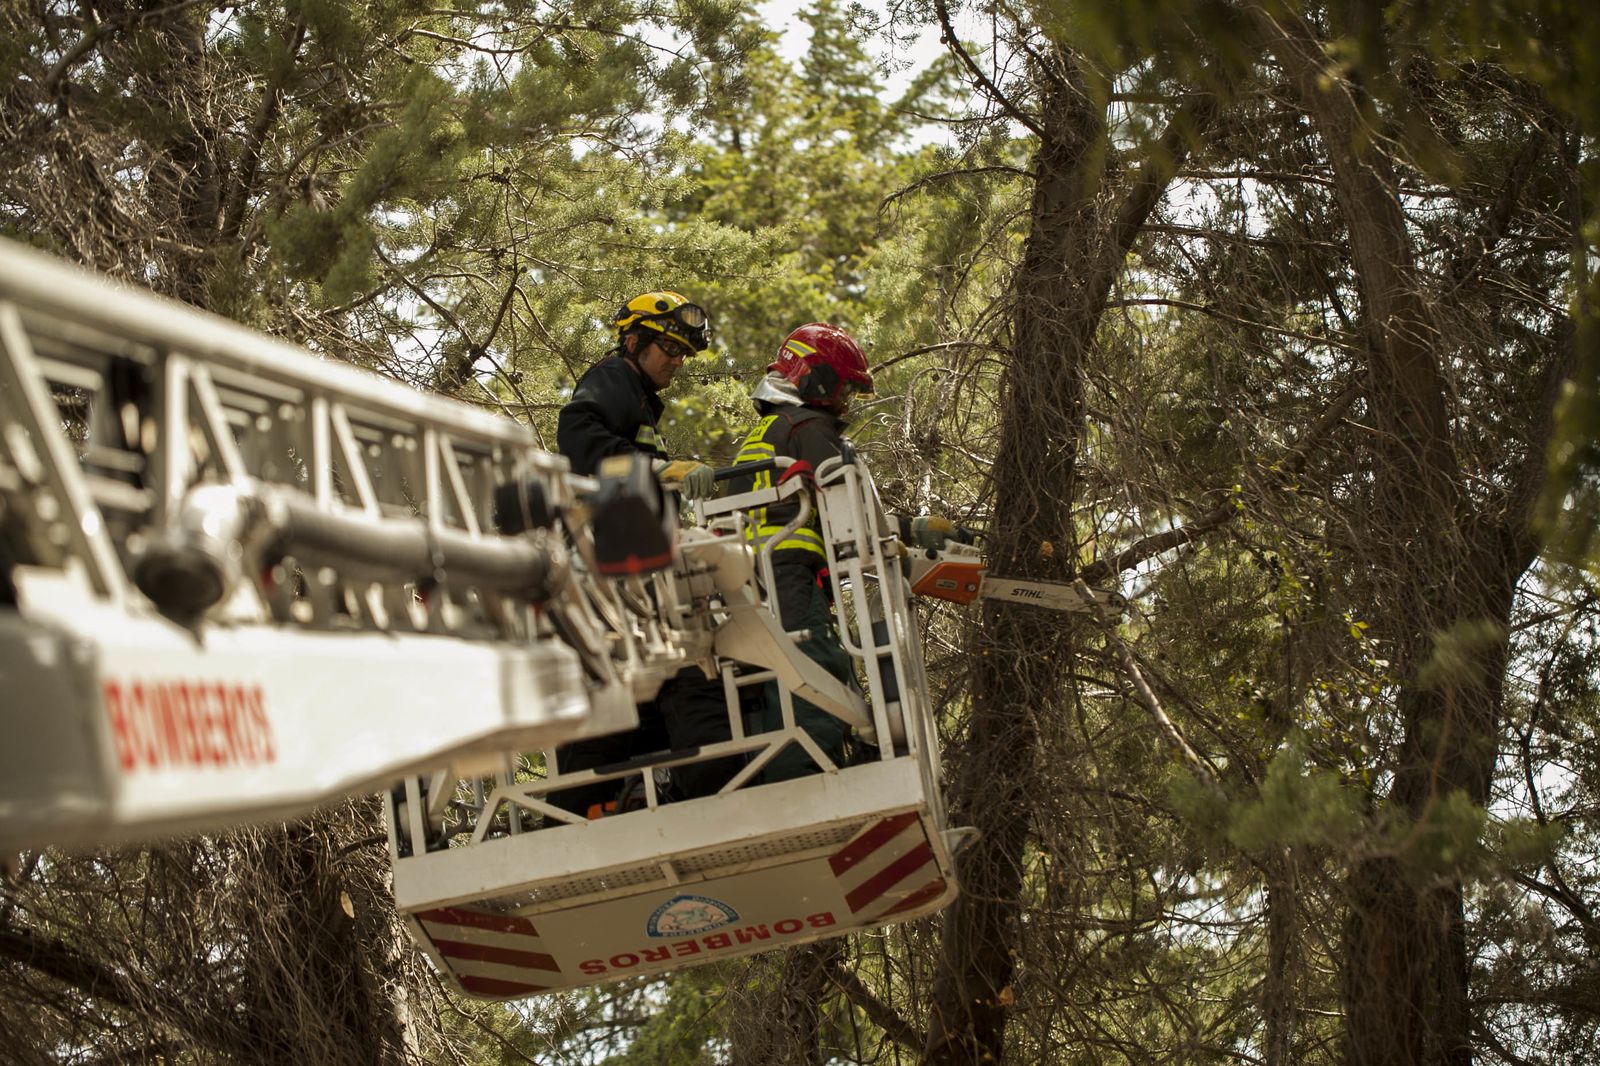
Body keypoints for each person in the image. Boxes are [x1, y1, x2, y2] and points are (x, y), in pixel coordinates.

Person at [550, 291, 740, 815]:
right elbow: (578, 435)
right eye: (668, 349)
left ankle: (602, 801)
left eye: (682, 353)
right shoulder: (614, 377)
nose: (676, 362)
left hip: (627, 571)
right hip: (606, 571)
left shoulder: (636, 397)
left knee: (644, 686)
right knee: (647, 676)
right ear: (633, 341)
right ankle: (585, 804)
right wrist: (658, 468)